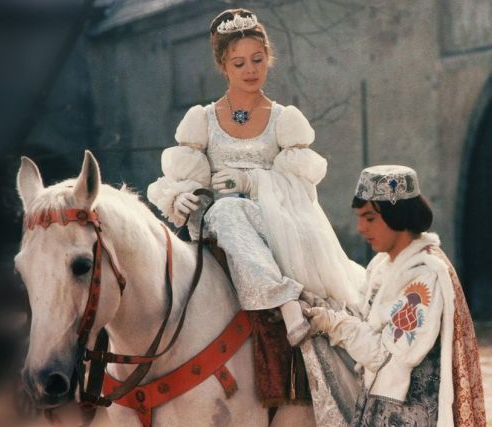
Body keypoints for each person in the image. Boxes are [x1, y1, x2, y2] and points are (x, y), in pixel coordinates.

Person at [148, 8, 365, 422]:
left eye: (257, 60)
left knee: (233, 208)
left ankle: (287, 304)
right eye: (239, 63)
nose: (250, 70)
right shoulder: (202, 120)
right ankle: (283, 303)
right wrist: (183, 196)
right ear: (222, 66)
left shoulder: (284, 121)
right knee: (225, 211)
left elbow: (301, 190)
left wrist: (253, 181)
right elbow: (182, 178)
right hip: (221, 229)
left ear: (269, 58)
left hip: (274, 226)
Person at [303, 165, 487, 426]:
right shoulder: (381, 266)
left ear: (397, 215)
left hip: (408, 415)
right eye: (359, 218)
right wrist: (322, 308)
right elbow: (364, 322)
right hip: (378, 407)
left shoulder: (425, 275)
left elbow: (386, 354)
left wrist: (334, 324)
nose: (360, 228)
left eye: (369, 218)